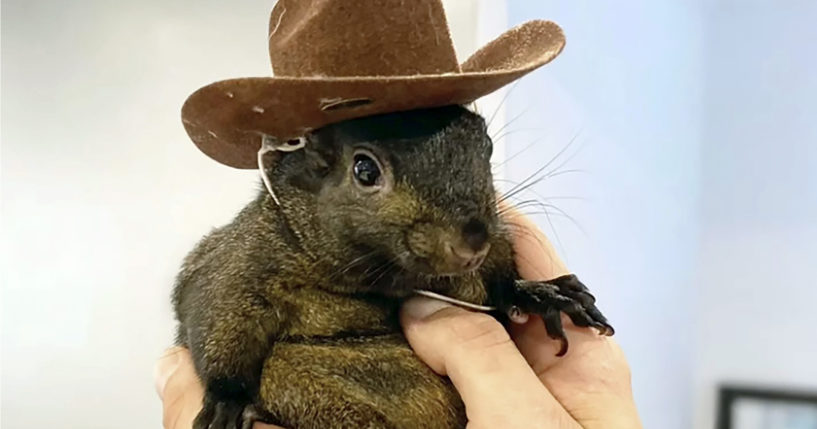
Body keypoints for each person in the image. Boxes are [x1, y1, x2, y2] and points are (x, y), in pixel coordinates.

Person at [154, 210, 642, 429]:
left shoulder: (482, 234)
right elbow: (210, 301)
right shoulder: (267, 249)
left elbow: (485, 272)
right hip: (322, 377)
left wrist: (516, 293)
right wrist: (228, 391)